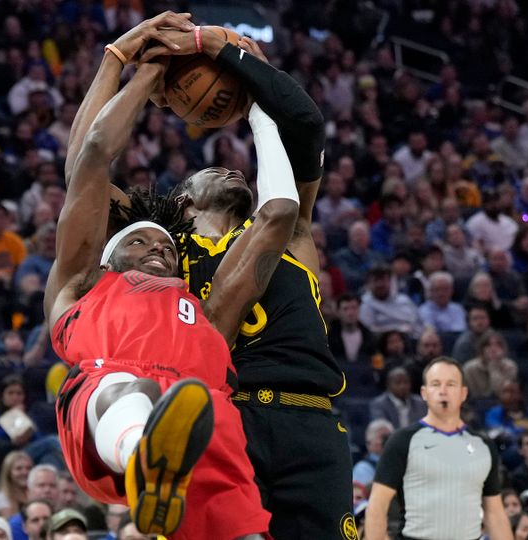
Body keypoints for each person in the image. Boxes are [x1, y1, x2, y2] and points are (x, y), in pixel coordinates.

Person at [48, 13, 301, 538]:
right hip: (111, 399)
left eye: (164, 244)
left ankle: (162, 463)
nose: (157, 249)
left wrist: (259, 105)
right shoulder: (82, 284)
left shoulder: (206, 312)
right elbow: (91, 157)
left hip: (205, 416)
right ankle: (145, 455)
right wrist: (141, 68)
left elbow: (278, 214)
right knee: (124, 387)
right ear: (107, 257)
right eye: (138, 241)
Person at [145, 27, 354, 538]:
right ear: (183, 201)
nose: (231, 170)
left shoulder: (288, 232)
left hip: (310, 421)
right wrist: (141, 72)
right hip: (224, 416)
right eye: (212, 168)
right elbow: (85, 173)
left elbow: (304, 122)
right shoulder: (162, 257)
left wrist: (236, 73)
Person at [364, 357, 513, 540]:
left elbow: (495, 515)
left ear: (463, 393)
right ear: (424, 393)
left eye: (451, 384)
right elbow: (377, 508)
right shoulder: (402, 441)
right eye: (436, 384)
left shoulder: (483, 446)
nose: (443, 391)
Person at [0, 452, 33, 519]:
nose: (25, 472)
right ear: (8, 473)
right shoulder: (2, 497)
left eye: (28, 468)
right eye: (19, 469)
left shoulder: (38, 493)